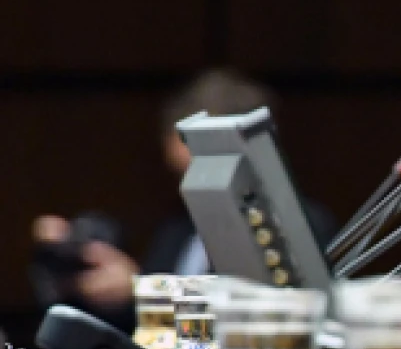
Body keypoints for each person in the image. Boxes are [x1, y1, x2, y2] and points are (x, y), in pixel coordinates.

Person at [31, 69, 334, 334]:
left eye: (200, 173)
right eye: (180, 175)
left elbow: (262, 316)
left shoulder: (301, 226)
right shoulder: (177, 230)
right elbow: (144, 335)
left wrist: (142, 290)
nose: (187, 189)